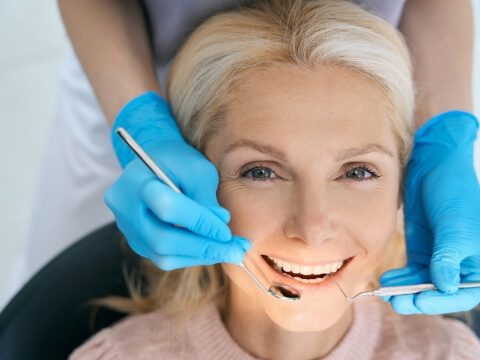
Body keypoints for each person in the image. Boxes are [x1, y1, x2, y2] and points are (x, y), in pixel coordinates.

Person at [6, 0, 477, 316]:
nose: (312, 230)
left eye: (357, 171)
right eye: (259, 171)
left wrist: (445, 138)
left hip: (363, 63)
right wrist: (139, 119)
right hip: (137, 62)